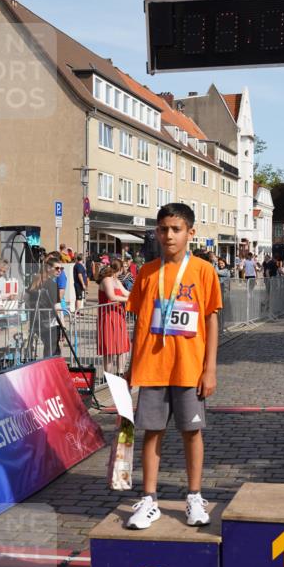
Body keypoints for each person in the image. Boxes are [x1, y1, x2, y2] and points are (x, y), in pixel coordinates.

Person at [126, 203, 222, 530]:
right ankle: (149, 499)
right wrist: (130, 367)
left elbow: (210, 318)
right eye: (164, 229)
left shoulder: (204, 271)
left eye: (176, 229)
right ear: (156, 232)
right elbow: (140, 320)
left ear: (190, 233)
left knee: (191, 432)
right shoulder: (147, 272)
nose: (169, 235)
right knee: (152, 433)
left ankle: (195, 495)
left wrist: (210, 368)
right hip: (153, 366)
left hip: (189, 367)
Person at [97, 259, 131, 375]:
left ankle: (120, 372)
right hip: (108, 315)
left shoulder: (116, 280)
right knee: (110, 347)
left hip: (118, 315)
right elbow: (111, 296)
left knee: (122, 346)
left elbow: (126, 292)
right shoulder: (107, 279)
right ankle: (108, 375)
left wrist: (139, 295)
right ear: (120, 269)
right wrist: (128, 299)